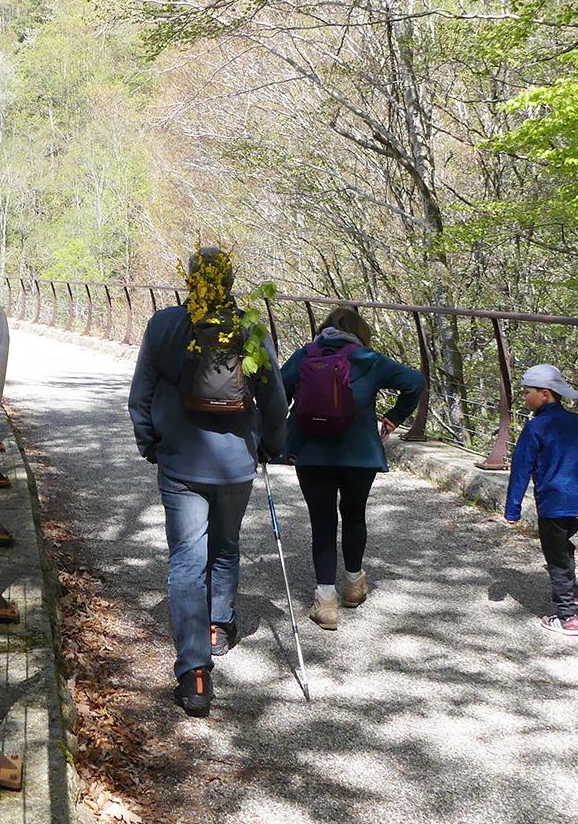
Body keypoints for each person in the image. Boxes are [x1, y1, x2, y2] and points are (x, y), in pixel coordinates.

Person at [128, 248, 288, 717]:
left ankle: (194, 673)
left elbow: (140, 394)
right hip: (236, 463)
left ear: (191, 280)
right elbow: (273, 397)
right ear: (231, 281)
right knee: (226, 544)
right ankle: (219, 625)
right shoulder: (251, 328)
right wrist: (271, 446)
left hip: (180, 462)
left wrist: (150, 443)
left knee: (185, 561)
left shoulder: (164, 325)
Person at [279, 308, 425, 631]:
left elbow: (278, 391)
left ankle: (326, 601)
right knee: (354, 514)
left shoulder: (306, 354)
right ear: (360, 331)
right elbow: (415, 381)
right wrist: (395, 416)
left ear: (324, 329)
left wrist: (278, 433)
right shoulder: (369, 359)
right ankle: (354, 584)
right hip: (359, 454)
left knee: (322, 521)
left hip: (311, 452)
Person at [504, 364, 578, 637]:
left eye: (528, 393)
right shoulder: (575, 421)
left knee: (557, 559)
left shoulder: (536, 427)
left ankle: (568, 618)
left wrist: (512, 508)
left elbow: (521, 469)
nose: (524, 398)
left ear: (546, 394)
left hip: (552, 504)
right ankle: (574, 599)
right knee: (565, 550)